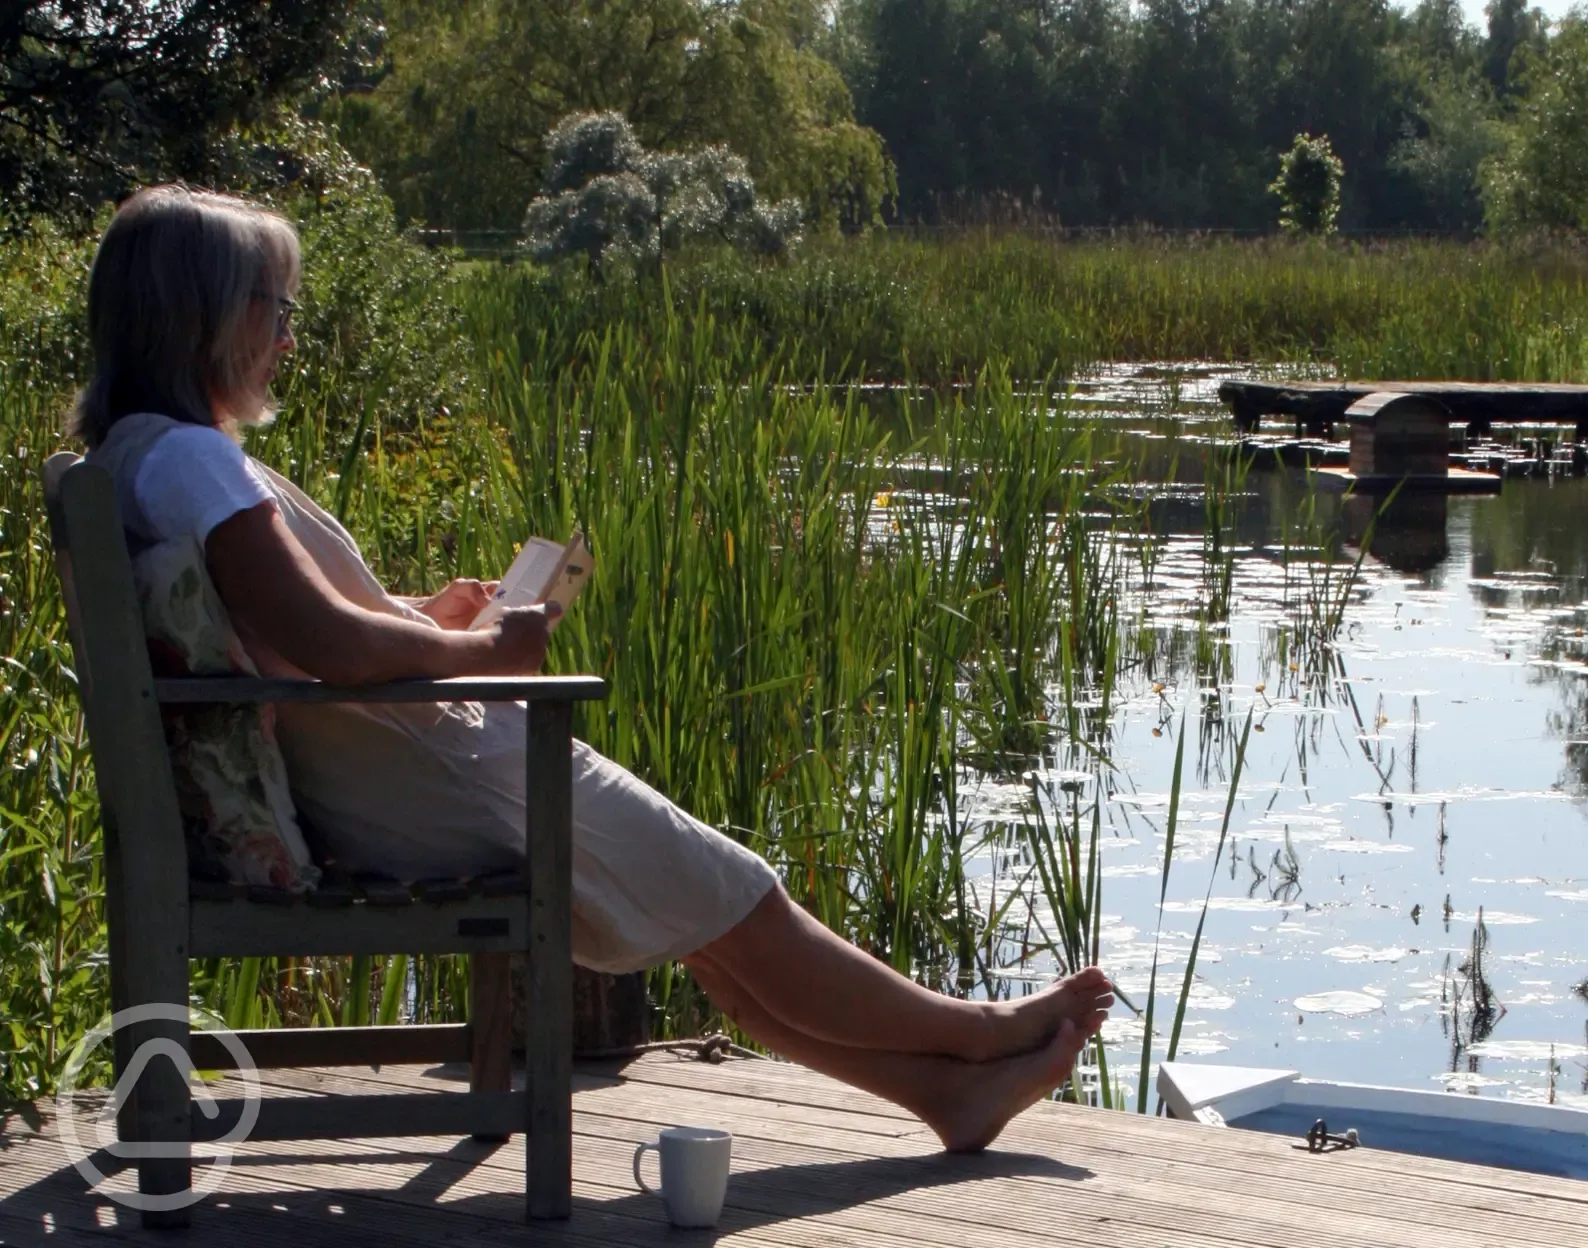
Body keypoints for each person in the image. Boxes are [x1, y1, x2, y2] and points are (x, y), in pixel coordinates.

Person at [73, 185, 1112, 1152]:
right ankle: (977, 1033)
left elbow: (299, 628)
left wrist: (420, 615)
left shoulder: (139, 456)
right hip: (430, 775)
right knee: (738, 900)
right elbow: (335, 650)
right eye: (275, 306)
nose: (289, 335)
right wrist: (488, 651)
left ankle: (942, 1092)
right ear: (207, 315)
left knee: (701, 907)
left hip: (385, 766)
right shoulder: (196, 461)